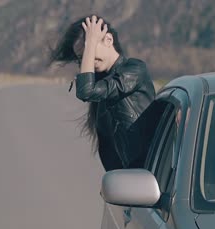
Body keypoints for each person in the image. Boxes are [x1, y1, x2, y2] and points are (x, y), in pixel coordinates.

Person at [50, 15, 156, 171]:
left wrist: (90, 42)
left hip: (148, 180)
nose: (88, 59)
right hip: (128, 184)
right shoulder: (102, 90)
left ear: (108, 40)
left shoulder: (134, 70)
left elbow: (86, 91)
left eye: (90, 50)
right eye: (82, 57)